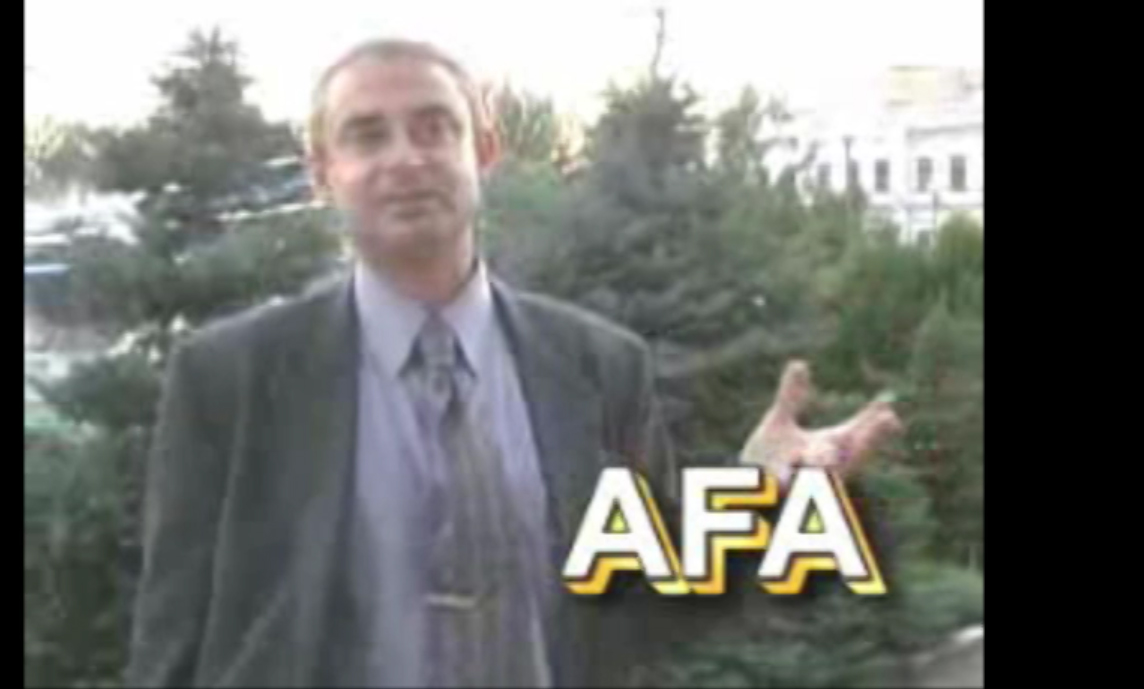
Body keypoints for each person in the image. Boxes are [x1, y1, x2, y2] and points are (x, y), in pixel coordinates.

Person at [126, 38, 903, 688]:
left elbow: (650, 605)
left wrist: (762, 498)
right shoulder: (230, 382)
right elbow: (173, 642)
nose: (406, 158)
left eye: (435, 128)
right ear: (322, 172)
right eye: (366, 135)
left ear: (485, 150)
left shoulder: (599, 366)